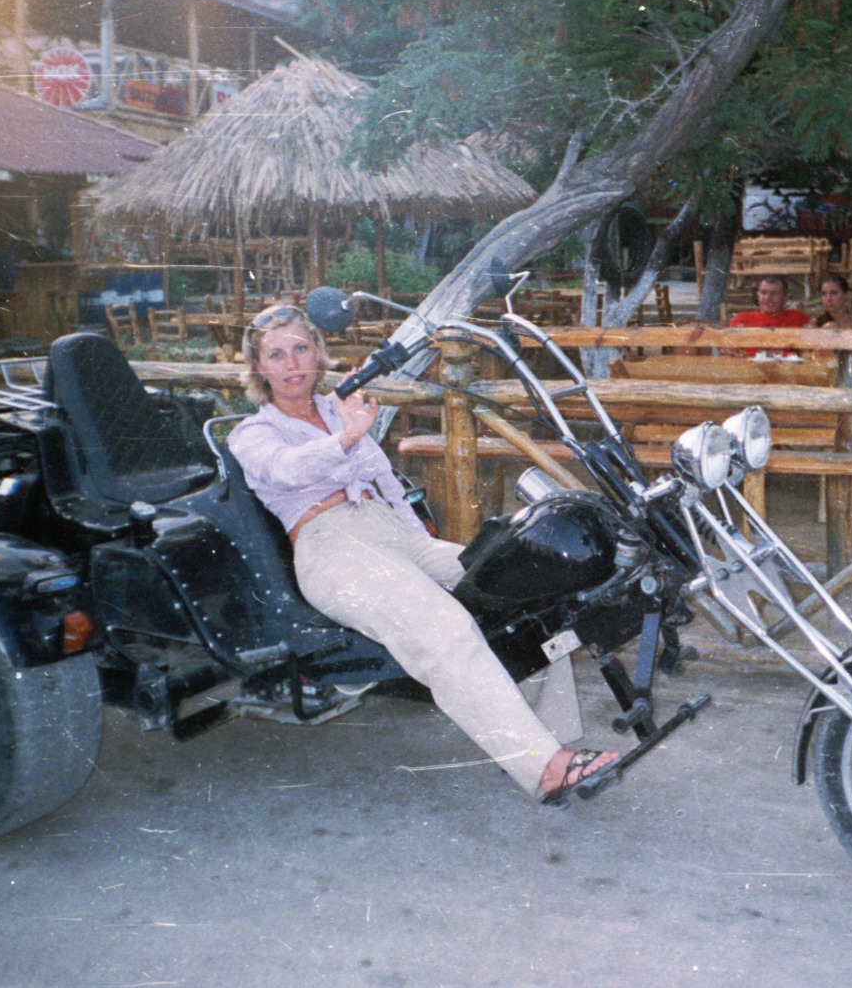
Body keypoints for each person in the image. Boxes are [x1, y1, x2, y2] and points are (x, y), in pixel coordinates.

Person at [226, 304, 618, 802]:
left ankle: (539, 741)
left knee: (520, 580)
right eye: (276, 354)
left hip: (393, 534)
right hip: (331, 547)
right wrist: (346, 437)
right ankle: (544, 766)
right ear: (259, 368)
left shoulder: (337, 409)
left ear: (319, 352)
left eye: (301, 348)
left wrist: (420, 541)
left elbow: (387, 484)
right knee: (443, 625)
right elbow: (286, 471)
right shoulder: (252, 434)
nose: (292, 362)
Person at [727, 275, 811, 356]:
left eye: (774, 293)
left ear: (785, 298)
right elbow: (728, 352)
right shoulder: (741, 319)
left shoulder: (797, 318)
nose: (767, 298)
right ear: (757, 295)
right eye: (763, 293)